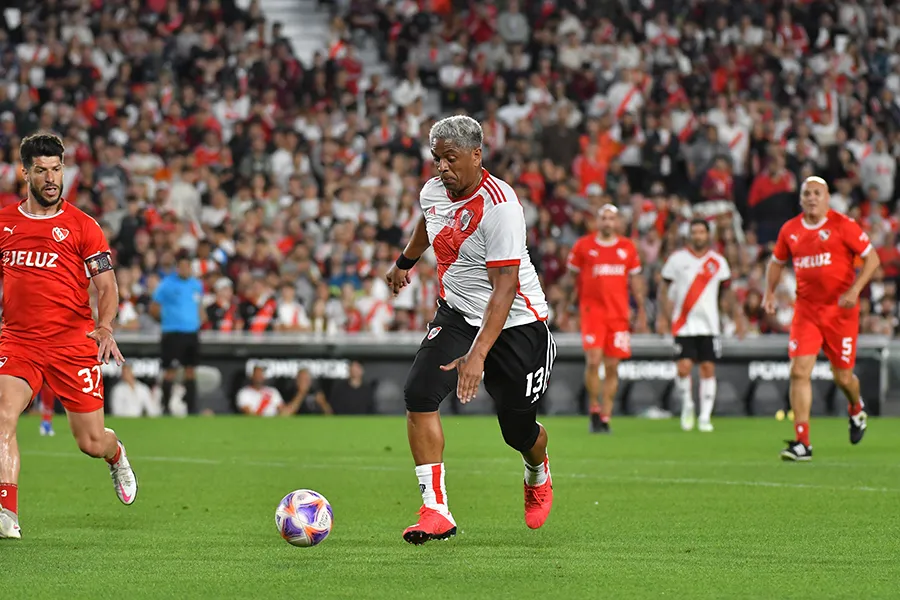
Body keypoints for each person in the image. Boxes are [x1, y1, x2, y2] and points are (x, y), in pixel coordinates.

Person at [385, 115, 557, 545]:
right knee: (419, 394)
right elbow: (430, 221)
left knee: (518, 431)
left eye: (450, 158)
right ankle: (435, 510)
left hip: (516, 323)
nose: (442, 167)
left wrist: (478, 355)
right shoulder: (433, 191)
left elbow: (505, 289)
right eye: (436, 159)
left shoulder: (501, 207)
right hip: (458, 314)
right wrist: (405, 262)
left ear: (476, 155)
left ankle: (538, 470)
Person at [0, 133, 136, 540]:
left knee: (90, 442)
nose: (50, 177)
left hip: (72, 344)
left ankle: (116, 454)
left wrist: (106, 326)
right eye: (41, 170)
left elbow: (107, 287)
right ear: (25, 172)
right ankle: (6, 513)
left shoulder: (82, 226)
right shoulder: (5, 222)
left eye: (56, 169)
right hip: (19, 340)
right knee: (3, 415)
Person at [764, 176, 879, 461]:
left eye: (817, 193)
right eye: (807, 193)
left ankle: (855, 408)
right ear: (800, 199)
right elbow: (777, 262)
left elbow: (873, 259)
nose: (812, 198)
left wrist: (855, 289)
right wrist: (768, 292)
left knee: (843, 378)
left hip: (840, 312)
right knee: (799, 371)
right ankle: (803, 442)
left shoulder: (843, 225)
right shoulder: (790, 230)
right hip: (806, 311)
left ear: (827, 198)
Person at [567, 204, 644, 434]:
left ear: (617, 222)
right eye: (604, 218)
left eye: (612, 218)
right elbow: (572, 278)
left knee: (612, 367)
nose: (608, 222)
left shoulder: (627, 248)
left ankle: (606, 416)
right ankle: (593, 407)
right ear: (597, 221)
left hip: (618, 315)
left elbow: (636, 282)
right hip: (593, 313)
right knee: (593, 361)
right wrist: (568, 307)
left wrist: (641, 310)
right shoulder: (583, 246)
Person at [659, 219, 739, 432]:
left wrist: (736, 317)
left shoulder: (718, 262)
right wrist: (664, 316)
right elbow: (664, 289)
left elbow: (727, 293)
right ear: (689, 235)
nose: (698, 236)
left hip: (709, 324)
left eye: (701, 232)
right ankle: (687, 405)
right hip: (683, 322)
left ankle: (705, 416)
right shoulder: (677, 260)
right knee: (683, 367)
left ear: (708, 235)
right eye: (694, 232)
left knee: (707, 368)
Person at [151, 253, 204, 414]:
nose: (185, 269)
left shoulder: (196, 285)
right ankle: (166, 407)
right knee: (170, 370)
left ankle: (192, 407)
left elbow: (199, 306)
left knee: (190, 370)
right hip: (172, 333)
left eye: (187, 266)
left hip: (191, 333)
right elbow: (154, 307)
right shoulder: (166, 284)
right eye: (182, 266)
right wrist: (167, 321)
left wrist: (198, 321)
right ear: (177, 268)